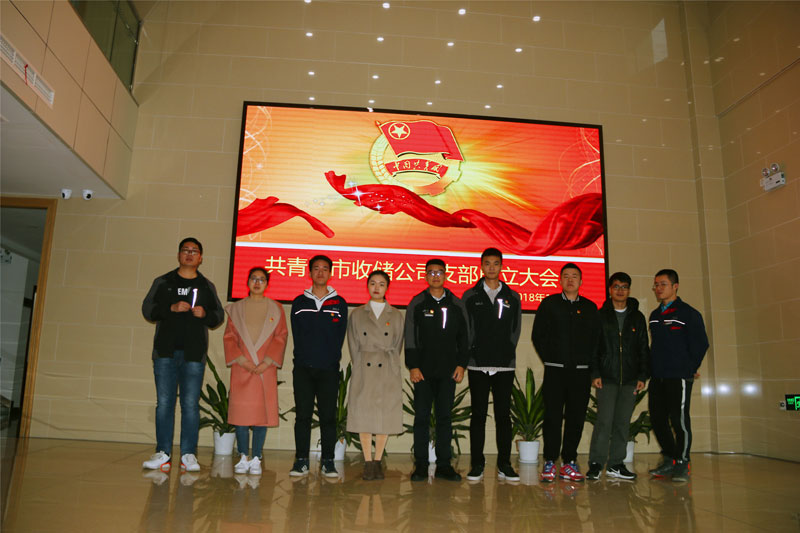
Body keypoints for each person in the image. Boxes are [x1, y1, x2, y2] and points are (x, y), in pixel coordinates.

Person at [141, 237, 224, 472]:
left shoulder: (206, 286)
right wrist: (170, 308)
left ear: (201, 258)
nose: (189, 254)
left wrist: (205, 314)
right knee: (164, 404)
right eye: (185, 250)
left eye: (194, 251)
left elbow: (218, 316)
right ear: (178, 255)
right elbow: (147, 309)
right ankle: (163, 453)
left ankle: (188, 454)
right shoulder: (163, 281)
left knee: (190, 405)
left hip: (194, 354)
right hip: (165, 353)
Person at [531, 263, 600, 482]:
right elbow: (538, 335)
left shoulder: (590, 308)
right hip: (555, 371)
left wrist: (592, 368)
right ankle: (550, 461)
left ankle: (569, 461)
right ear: (560, 280)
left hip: (580, 373)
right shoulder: (549, 304)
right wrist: (551, 359)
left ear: (581, 281)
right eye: (566, 276)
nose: (570, 280)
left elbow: (596, 341)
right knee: (552, 417)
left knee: (576, 418)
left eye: (574, 276)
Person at [405, 258, 470, 482]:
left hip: (448, 372)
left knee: (444, 418)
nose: (435, 276)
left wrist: (462, 364)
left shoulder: (457, 304)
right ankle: (421, 465)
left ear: (445, 275)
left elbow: (465, 337)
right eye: (431, 272)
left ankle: (444, 465)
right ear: (425, 276)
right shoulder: (417, 303)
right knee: (421, 418)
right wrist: (413, 365)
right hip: (422, 372)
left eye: (439, 272)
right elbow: (410, 336)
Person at [462, 248, 522, 482]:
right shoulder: (470, 296)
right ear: (481, 266)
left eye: (496, 263)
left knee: (503, 416)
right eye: (487, 263)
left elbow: (515, 330)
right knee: (478, 415)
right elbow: (466, 330)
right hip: (477, 364)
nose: (491, 268)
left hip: (504, 365)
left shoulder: (512, 296)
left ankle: (504, 464)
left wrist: (507, 353)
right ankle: (477, 463)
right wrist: (471, 355)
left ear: (501, 266)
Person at [223, 267, 288, 476]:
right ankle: (243, 456)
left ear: (267, 284)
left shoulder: (276, 308)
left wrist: (267, 362)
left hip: (264, 369)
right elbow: (229, 337)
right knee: (241, 416)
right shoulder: (236, 309)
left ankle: (257, 457)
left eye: (262, 279)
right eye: (254, 279)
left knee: (262, 416)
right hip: (242, 368)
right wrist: (243, 361)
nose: (257, 282)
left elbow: (281, 337)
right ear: (248, 282)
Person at [289, 255, 348, 478]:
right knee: (302, 416)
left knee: (328, 417)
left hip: (328, 370)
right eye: (316, 268)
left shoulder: (339, 303)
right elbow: (297, 334)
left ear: (330, 273)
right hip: (303, 368)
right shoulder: (299, 302)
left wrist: (330, 360)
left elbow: (339, 336)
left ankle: (328, 462)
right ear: (310, 273)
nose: (320, 272)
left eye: (325, 268)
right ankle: (301, 461)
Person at [586, 272, 649, 481]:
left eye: (624, 287)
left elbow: (643, 348)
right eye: (616, 286)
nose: (620, 291)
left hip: (630, 379)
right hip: (606, 377)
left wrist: (642, 375)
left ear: (629, 290)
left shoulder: (637, 317)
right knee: (604, 422)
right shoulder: (600, 315)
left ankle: (616, 464)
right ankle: (596, 463)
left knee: (622, 422)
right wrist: (595, 373)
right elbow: (593, 348)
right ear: (609, 290)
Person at [648, 269, 709, 482]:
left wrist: (689, 367)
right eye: (656, 285)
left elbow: (701, 343)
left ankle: (682, 462)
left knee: (679, 420)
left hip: (678, 376)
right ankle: (669, 458)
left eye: (663, 284)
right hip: (658, 376)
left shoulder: (688, 313)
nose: (658, 288)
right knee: (657, 419)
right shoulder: (655, 316)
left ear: (675, 286)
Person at [346, 270, 405, 480]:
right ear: (367, 286)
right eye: (372, 283)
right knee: (364, 413)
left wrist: (390, 363)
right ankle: (368, 462)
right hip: (365, 367)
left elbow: (397, 344)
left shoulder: (396, 314)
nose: (377, 287)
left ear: (387, 287)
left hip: (387, 367)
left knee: (384, 414)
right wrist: (360, 364)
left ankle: (378, 460)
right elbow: (353, 344)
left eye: (381, 284)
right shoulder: (357, 314)